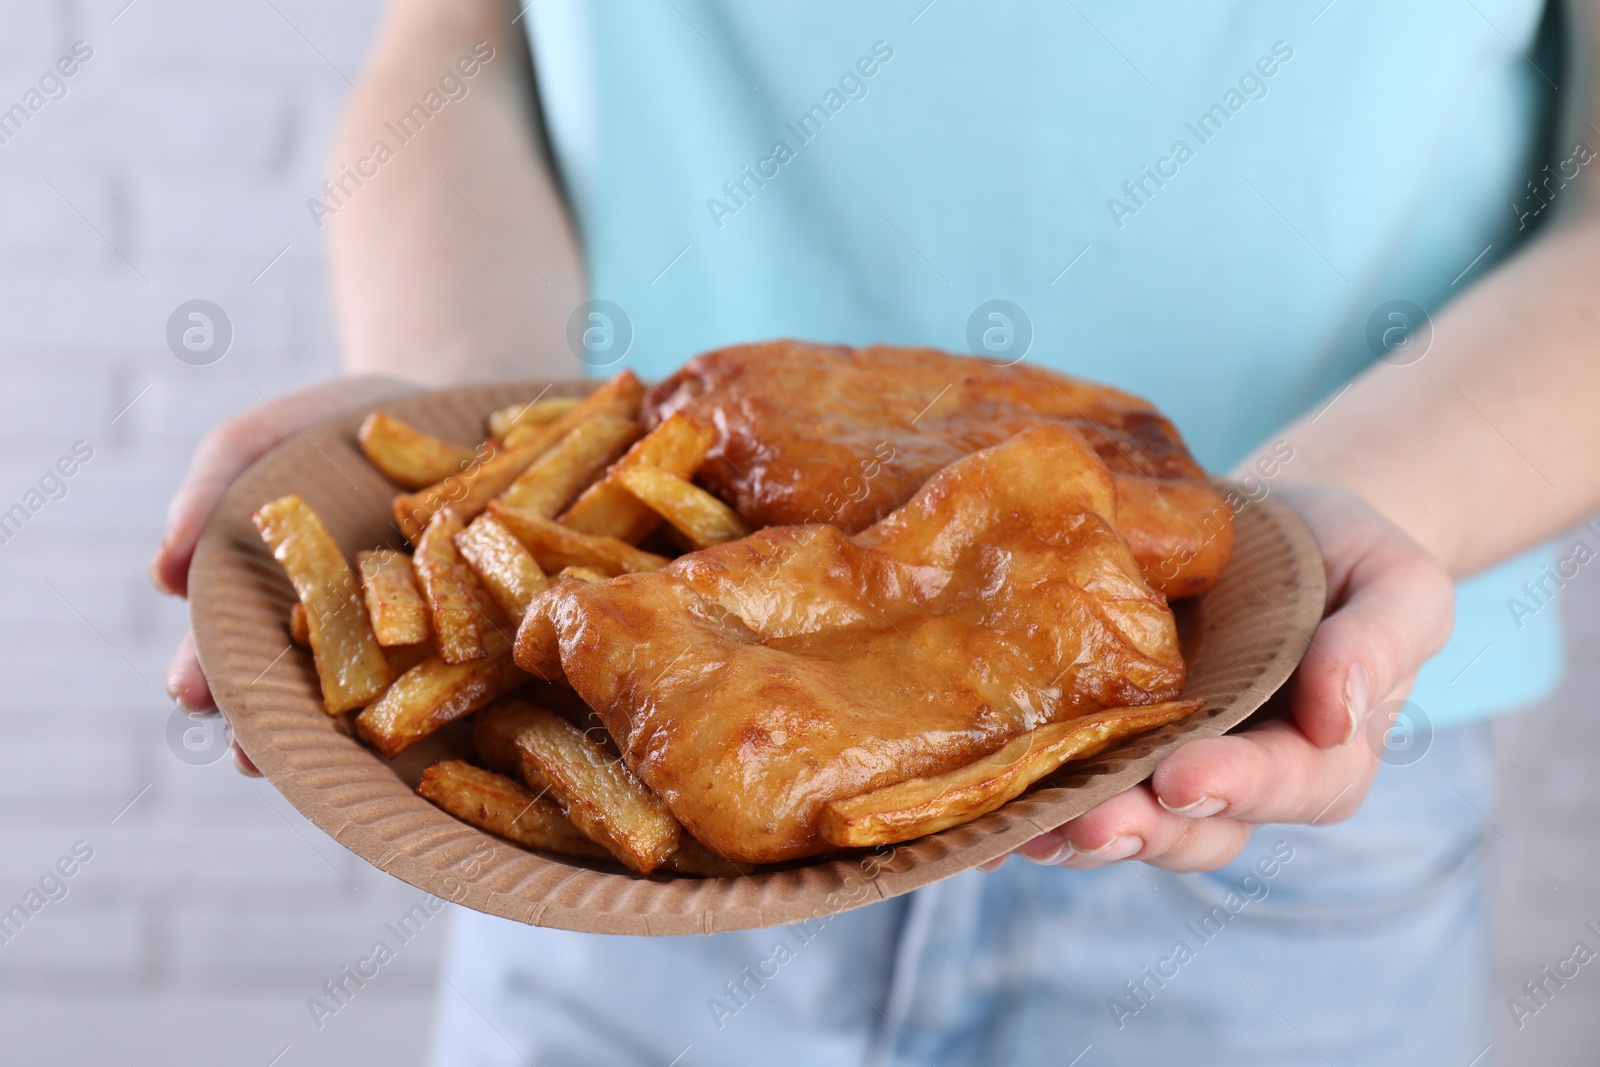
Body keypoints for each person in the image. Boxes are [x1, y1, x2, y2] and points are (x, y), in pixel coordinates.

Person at [152, 1, 1600, 1063]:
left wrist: (1339, 517)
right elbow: (459, 48)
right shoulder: (594, 643)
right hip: (613, 842)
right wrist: (467, 421)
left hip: (1282, 775)